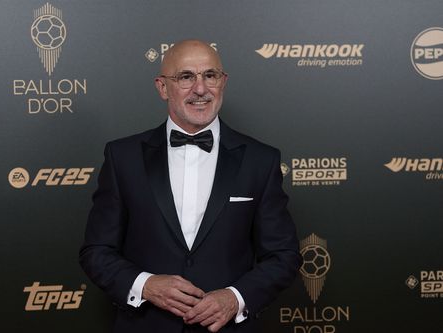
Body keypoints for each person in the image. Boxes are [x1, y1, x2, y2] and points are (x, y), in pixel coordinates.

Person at [79, 39, 302, 333]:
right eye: (186, 77)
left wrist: (235, 299)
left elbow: (284, 256)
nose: (200, 89)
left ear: (223, 82)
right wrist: (146, 285)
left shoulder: (261, 160)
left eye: (210, 75)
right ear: (162, 87)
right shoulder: (123, 157)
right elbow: (96, 251)